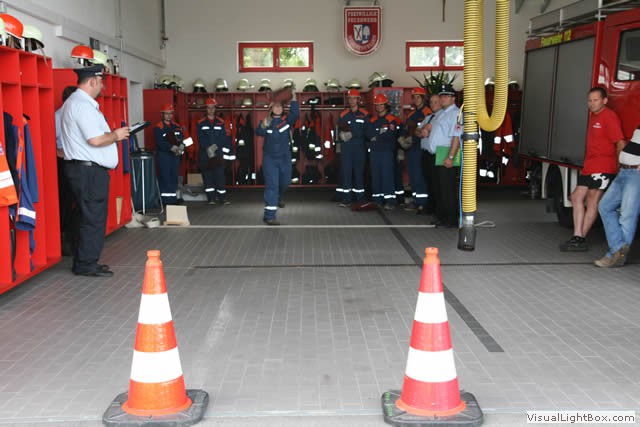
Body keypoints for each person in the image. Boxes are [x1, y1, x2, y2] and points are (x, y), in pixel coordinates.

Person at [59, 64, 129, 277]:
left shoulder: (75, 103)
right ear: (92, 81)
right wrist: (116, 135)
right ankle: (86, 264)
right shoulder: (82, 105)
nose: (102, 87)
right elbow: (95, 140)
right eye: (101, 82)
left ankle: (84, 260)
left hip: (83, 170)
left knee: (85, 216)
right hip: (89, 172)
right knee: (93, 218)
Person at [559, 87, 626, 251]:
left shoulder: (609, 116)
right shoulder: (593, 116)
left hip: (603, 166)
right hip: (590, 165)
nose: (592, 103)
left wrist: (619, 167)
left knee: (592, 200)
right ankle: (578, 236)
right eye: (589, 100)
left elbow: (620, 143)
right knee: (576, 197)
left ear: (605, 101)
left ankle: (579, 238)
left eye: (595, 100)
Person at [594, 126, 639, 268]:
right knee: (605, 206)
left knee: (627, 216)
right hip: (624, 171)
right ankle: (618, 248)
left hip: (635, 174)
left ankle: (615, 256)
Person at [420, 84, 462, 228]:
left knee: (447, 189)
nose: (443, 98)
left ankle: (451, 219)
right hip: (437, 154)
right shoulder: (442, 113)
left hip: (446, 153)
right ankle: (442, 216)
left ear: (453, 98)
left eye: (446, 96)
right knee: (439, 188)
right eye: (442, 96)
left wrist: (450, 157)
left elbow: (456, 137)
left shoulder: (456, 114)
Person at [256, 88, 299, 225]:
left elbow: (295, 113)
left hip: (285, 158)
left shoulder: (287, 120)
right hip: (270, 159)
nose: (278, 108)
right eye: (275, 106)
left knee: (285, 183)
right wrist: (264, 124)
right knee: (272, 186)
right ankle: (269, 216)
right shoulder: (266, 122)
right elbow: (258, 131)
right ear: (271, 108)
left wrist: (293, 98)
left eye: (280, 106)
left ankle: (278, 197)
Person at [366, 93, 401, 209]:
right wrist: (379, 133)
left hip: (387, 152)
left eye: (381, 104)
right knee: (376, 176)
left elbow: (390, 135)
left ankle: (390, 201)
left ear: (386, 105)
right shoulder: (373, 120)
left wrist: (376, 136)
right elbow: (368, 134)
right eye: (377, 105)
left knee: (387, 176)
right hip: (375, 152)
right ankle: (378, 200)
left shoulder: (391, 120)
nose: (379, 107)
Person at [399, 87, 431, 214]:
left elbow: (427, 131)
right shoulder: (411, 114)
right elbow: (405, 128)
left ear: (423, 98)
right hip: (411, 150)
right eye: (414, 97)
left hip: (420, 149)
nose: (416, 99)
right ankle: (416, 200)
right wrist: (402, 138)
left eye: (418, 97)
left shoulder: (428, 113)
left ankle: (423, 203)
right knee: (412, 176)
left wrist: (413, 138)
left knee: (420, 176)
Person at [196, 98, 233, 205]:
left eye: (213, 108)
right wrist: (208, 148)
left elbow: (223, 137)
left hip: (218, 153)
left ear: (215, 109)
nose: (211, 110)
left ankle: (222, 198)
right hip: (205, 154)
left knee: (220, 176)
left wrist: (215, 147)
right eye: (209, 108)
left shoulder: (221, 122)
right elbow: (200, 138)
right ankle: (211, 199)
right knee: (208, 176)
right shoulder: (200, 123)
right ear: (206, 109)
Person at [337, 88, 369, 207]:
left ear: (358, 100)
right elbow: (339, 130)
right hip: (346, 148)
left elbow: (367, 131)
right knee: (346, 173)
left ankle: (360, 199)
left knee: (359, 173)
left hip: (359, 148)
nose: (351, 101)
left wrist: (354, 134)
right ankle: (347, 199)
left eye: (354, 98)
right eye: (350, 98)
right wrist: (341, 136)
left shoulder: (365, 114)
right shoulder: (343, 114)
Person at [55, 85, 77, 255]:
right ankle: (64, 240)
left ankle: (72, 238)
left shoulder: (75, 116)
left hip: (77, 161)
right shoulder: (57, 117)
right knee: (65, 200)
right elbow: (52, 143)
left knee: (77, 200)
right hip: (63, 162)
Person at [154, 103, 186, 206]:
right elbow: (160, 142)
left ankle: (172, 199)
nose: (169, 116)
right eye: (166, 113)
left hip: (175, 156)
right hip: (164, 156)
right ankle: (165, 201)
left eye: (170, 113)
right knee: (165, 177)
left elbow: (182, 138)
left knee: (174, 177)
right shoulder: (158, 127)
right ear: (162, 114)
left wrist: (182, 145)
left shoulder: (177, 126)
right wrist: (171, 147)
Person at [418, 94, 442, 215]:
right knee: (429, 181)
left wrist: (428, 129)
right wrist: (421, 132)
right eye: (431, 102)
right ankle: (431, 206)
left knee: (438, 183)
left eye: (436, 102)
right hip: (426, 153)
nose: (433, 104)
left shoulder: (443, 117)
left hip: (439, 153)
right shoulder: (429, 117)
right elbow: (418, 130)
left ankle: (439, 209)